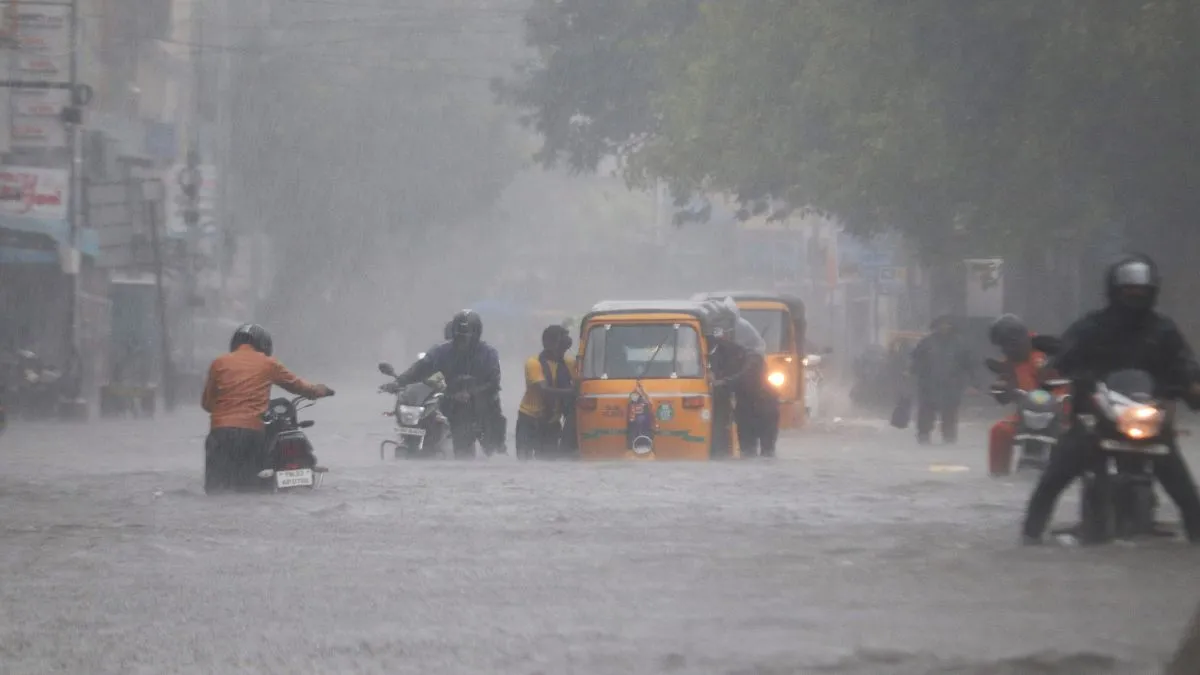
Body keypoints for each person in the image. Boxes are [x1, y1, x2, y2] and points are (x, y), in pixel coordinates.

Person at [1021, 254, 1200, 544]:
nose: (1135, 295)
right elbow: (1065, 353)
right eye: (1129, 289)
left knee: (1184, 490)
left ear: (1153, 292)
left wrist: (1190, 385)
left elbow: (1184, 362)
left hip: (1147, 417)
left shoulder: (1164, 330)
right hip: (1096, 416)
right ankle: (1030, 536)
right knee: (1054, 478)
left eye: (1141, 290)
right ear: (1114, 291)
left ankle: (1196, 536)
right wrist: (1062, 368)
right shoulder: (1092, 326)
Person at [201, 324, 334, 494]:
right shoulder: (268, 363)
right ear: (264, 345)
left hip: (220, 434)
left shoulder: (218, 363)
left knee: (216, 491)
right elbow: (298, 385)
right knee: (252, 491)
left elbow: (207, 403)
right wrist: (318, 390)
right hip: (251, 434)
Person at [388, 310, 507, 457]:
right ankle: (417, 444)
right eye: (458, 337)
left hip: (480, 406)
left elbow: (494, 382)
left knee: (488, 444)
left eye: (465, 337)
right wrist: (398, 382)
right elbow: (419, 369)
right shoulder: (441, 352)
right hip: (445, 401)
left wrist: (471, 394)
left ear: (476, 335)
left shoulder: (489, 354)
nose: (461, 342)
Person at [986, 314, 1052, 475]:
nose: (1005, 349)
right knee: (999, 431)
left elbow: (1064, 381)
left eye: (1007, 344)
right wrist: (1000, 390)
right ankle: (998, 475)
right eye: (1002, 346)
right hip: (1025, 415)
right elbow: (1004, 382)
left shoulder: (1046, 352)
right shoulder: (1011, 359)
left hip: (1058, 415)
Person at [909, 315, 975, 444]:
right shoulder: (926, 342)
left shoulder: (959, 344)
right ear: (936, 326)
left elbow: (968, 364)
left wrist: (972, 382)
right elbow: (916, 360)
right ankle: (924, 434)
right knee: (926, 411)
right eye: (941, 324)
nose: (944, 327)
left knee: (950, 412)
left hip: (951, 385)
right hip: (928, 384)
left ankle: (949, 435)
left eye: (947, 324)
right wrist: (914, 372)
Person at [516, 325, 576, 460]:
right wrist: (572, 392)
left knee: (550, 462)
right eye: (560, 344)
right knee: (523, 461)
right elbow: (544, 390)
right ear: (549, 344)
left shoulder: (569, 364)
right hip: (530, 420)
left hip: (552, 422)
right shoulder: (533, 363)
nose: (563, 349)